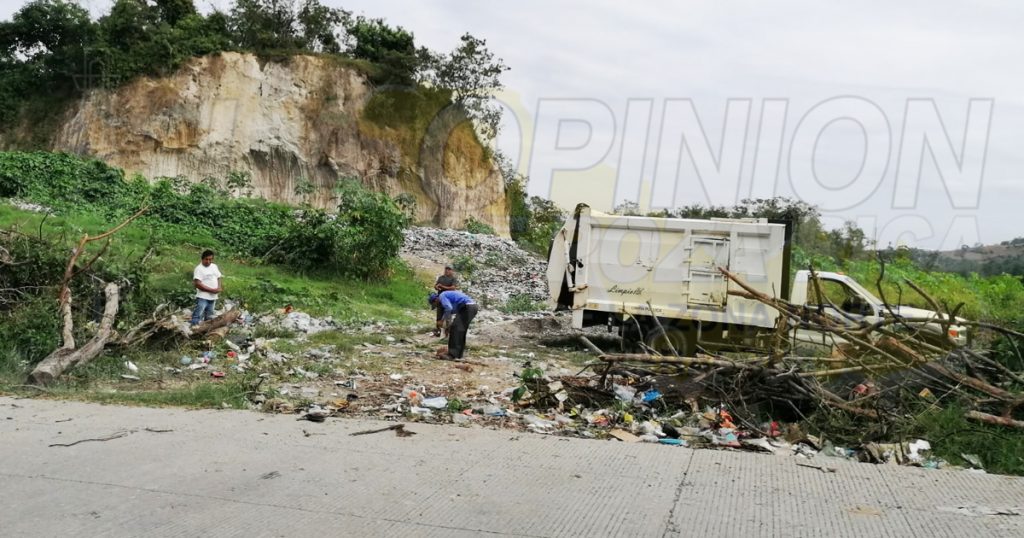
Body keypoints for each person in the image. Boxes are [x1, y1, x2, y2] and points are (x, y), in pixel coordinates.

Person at [429, 290, 478, 360]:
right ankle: (458, 354)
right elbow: (449, 313)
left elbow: (448, 308)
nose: (438, 306)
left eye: (436, 304)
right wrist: (447, 327)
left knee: (456, 329)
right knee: (460, 330)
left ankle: (452, 354)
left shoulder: (442, 296)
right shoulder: (447, 297)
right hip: (471, 307)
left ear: (436, 300)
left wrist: (442, 321)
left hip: (467, 307)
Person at [191, 250, 223, 326]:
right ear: (202, 259)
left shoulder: (214, 266)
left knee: (209, 315)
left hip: (213, 297)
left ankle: (205, 330)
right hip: (203, 296)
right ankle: (193, 327)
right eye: (206, 259)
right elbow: (197, 284)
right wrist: (212, 290)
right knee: (198, 313)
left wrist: (219, 287)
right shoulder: (199, 269)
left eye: (210, 259)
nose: (208, 261)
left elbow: (219, 277)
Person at [432, 266, 460, 336]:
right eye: (446, 269)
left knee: (448, 316)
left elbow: (453, 288)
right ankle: (438, 331)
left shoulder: (453, 279)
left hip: (448, 300)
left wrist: (442, 286)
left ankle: (447, 332)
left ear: (452, 271)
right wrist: (437, 287)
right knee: (439, 315)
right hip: (439, 299)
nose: (447, 271)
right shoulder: (441, 278)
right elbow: (435, 286)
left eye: (449, 269)